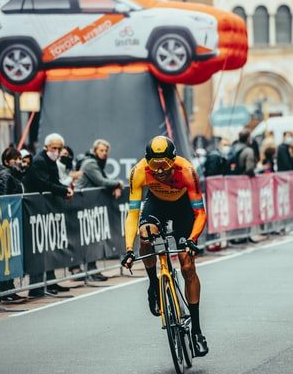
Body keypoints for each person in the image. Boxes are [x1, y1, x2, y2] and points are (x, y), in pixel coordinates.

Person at [121, 135, 209, 357]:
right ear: (147, 161)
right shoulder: (139, 171)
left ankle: (197, 332)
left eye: (165, 165)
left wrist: (192, 239)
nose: (160, 171)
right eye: (154, 165)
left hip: (182, 208)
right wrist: (129, 249)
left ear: (173, 159)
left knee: (187, 265)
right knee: (146, 234)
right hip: (156, 204)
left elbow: (200, 213)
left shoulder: (187, 171)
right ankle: (153, 285)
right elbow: (132, 215)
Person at [24, 133, 74, 297]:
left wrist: (64, 191)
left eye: (59, 148)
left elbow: (55, 181)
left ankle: (51, 282)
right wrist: (63, 190)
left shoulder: (52, 161)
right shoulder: (39, 161)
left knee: (50, 245)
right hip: (35, 210)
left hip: (47, 210)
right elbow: (44, 183)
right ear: (46, 147)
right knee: (38, 248)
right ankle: (36, 287)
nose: (57, 151)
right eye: (54, 148)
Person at [75, 139, 123, 281]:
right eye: (101, 150)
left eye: (106, 151)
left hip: (90, 207)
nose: (104, 153)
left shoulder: (97, 163)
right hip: (81, 206)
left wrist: (115, 186)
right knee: (86, 239)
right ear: (95, 151)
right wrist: (118, 183)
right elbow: (102, 182)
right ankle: (86, 271)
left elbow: (105, 180)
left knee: (91, 239)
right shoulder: (90, 164)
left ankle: (91, 269)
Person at [0, 147, 26, 303]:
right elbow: (4, 197)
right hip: (5, 220)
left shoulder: (15, 174)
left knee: (11, 254)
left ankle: (9, 289)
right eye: (16, 158)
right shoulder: (5, 175)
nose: (19, 161)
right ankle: (2, 291)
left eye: (20, 158)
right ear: (6, 161)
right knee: (3, 255)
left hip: (12, 220)